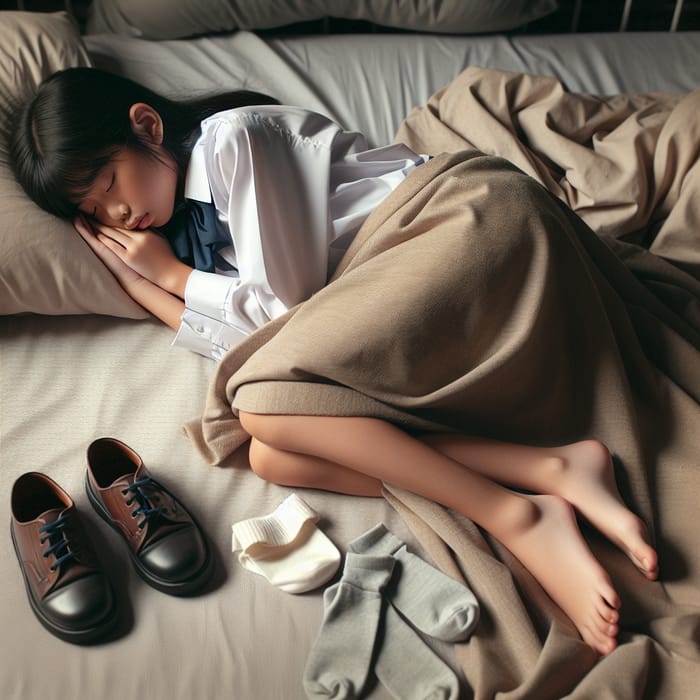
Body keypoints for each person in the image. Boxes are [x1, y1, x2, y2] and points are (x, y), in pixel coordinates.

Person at [11, 67, 658, 656]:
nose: (120, 215)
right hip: (400, 285)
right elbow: (254, 340)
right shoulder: (179, 227)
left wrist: (173, 277)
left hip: (461, 224)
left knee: (261, 407)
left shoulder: (234, 143)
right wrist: (138, 286)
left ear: (146, 125)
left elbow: (281, 316)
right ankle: (549, 469)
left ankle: (515, 513)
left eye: (108, 186)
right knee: (270, 454)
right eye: (96, 214)